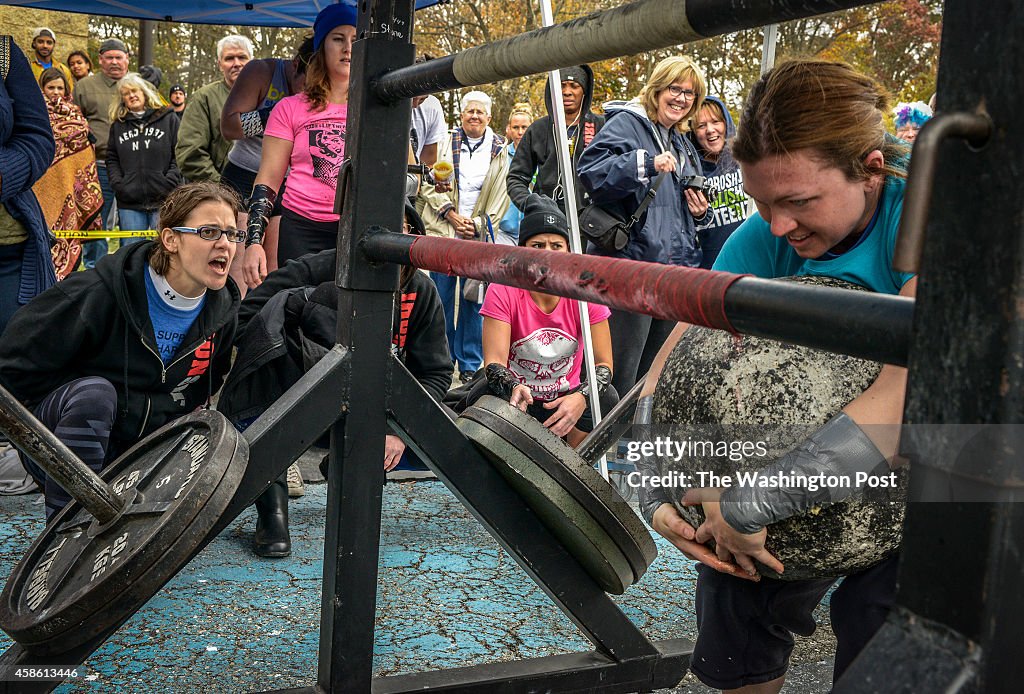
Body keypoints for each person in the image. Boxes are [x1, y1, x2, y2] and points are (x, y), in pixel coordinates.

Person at [638, 58, 916, 693]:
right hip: (798, 458)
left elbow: (904, 398)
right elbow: (668, 366)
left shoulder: (928, 220)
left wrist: (755, 499)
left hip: (924, 456)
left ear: (870, 169)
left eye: (798, 202)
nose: (779, 227)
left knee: (882, 620)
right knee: (735, 600)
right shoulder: (769, 233)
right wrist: (657, 483)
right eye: (763, 203)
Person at [218, 203, 451, 557]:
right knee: (257, 390)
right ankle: (272, 507)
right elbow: (247, 322)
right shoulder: (318, 268)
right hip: (293, 401)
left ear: (412, 240)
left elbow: (436, 372)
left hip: (371, 410)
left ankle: (346, 464)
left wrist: (399, 431)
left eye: (397, 231)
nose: (385, 245)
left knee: (452, 434)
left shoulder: (421, 292)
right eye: (377, 233)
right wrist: (306, 312)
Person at [0, 181, 242, 519]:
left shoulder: (223, 312)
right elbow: (13, 365)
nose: (225, 244)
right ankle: (64, 530)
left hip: (140, 456)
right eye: (208, 232)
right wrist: (28, 438)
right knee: (95, 395)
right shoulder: (99, 293)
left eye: (232, 234)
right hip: (65, 445)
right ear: (170, 239)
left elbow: (199, 396)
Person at [243, 5, 418, 285]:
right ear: (322, 45)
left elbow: (408, 175)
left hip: (361, 226)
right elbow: (268, 180)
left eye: (355, 39)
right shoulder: (289, 108)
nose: (348, 47)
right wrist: (253, 242)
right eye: (338, 38)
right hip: (301, 229)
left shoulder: (384, 108)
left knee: (352, 317)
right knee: (302, 313)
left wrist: (402, 217)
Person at [577, 55, 711, 396]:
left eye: (690, 94)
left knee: (653, 376)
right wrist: (645, 163)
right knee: (620, 372)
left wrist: (699, 212)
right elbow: (591, 172)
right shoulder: (627, 124)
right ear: (657, 89)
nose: (681, 98)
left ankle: (632, 444)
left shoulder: (680, 140)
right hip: (630, 273)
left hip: (671, 277)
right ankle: (601, 445)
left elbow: (678, 210)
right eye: (674, 89)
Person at [470, 194, 616, 447]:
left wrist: (581, 397)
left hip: (565, 399)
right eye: (537, 246)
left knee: (606, 398)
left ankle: (572, 468)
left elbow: (604, 364)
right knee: (482, 393)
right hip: (518, 397)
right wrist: (513, 387)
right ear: (523, 250)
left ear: (568, 251)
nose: (548, 254)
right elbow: (493, 362)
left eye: (556, 246)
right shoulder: (504, 288)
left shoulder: (586, 290)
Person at [418, 90, 506, 383]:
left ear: (489, 117)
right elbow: (428, 181)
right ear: (462, 115)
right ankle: (441, 357)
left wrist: (479, 225)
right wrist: (451, 215)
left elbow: (502, 196)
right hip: (445, 231)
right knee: (440, 298)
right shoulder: (443, 142)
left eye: (480, 112)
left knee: (473, 301)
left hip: (477, 236)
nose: (475, 116)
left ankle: (469, 363)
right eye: (470, 111)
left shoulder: (500, 150)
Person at [219, 38, 313, 294]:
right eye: (305, 86)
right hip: (245, 174)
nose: (308, 95)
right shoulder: (262, 71)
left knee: (272, 270)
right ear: (295, 66)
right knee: (238, 266)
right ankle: (230, 324)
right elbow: (229, 126)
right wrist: (280, 113)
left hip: (288, 180)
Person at [0, 35, 56, 334]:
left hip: (8, 251)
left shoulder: (4, 54)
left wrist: (4, 174)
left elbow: (37, 138)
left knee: (17, 357)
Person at [33, 68, 103, 278]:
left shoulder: (76, 114)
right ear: (42, 88)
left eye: (59, 87)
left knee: (69, 235)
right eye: (50, 87)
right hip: (40, 186)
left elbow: (85, 151)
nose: (55, 92)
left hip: (71, 186)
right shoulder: (33, 113)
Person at [507, 65, 604, 215]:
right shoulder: (538, 129)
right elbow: (516, 177)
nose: (567, 92)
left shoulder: (601, 127)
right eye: (562, 86)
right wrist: (532, 204)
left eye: (574, 86)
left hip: (590, 224)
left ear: (584, 90)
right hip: (546, 221)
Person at [107, 73, 183, 245]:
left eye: (135, 91)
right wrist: (120, 184)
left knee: (165, 249)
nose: (132, 96)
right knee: (131, 251)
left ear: (144, 93)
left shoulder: (169, 119)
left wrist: (169, 180)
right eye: (126, 93)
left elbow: (179, 152)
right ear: (122, 99)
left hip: (164, 198)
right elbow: (112, 158)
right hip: (130, 202)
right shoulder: (118, 125)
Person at [75, 37, 131, 267]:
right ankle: (94, 270)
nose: (115, 62)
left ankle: (128, 267)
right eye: (110, 57)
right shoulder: (85, 86)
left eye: (119, 57)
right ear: (100, 60)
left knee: (132, 222)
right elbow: (75, 124)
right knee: (96, 219)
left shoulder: (137, 85)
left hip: (132, 165)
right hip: (97, 164)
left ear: (127, 59)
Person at [175, 34, 253, 184]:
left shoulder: (268, 98)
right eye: (229, 58)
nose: (236, 63)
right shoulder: (203, 98)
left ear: (252, 62)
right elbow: (190, 153)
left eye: (242, 57)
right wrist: (222, 188)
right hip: (218, 195)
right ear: (220, 64)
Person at [687, 95, 751, 269]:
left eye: (716, 121)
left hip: (751, 265)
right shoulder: (689, 172)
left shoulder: (746, 161)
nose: (710, 130)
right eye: (701, 125)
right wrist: (699, 215)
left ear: (726, 124)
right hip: (710, 272)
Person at [409, 54, 447, 168]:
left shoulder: (432, 107)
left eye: (422, 100)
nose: (415, 105)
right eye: (411, 97)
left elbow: (428, 163)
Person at [27, 28, 74, 93]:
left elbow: (69, 95)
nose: (45, 46)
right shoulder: (27, 67)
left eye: (49, 43)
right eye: (40, 42)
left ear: (54, 45)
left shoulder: (63, 70)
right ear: (34, 43)